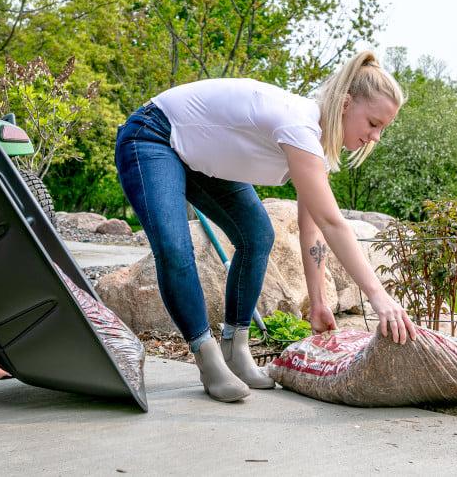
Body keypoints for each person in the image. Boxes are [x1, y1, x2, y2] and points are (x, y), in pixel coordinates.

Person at [114, 50, 417, 402]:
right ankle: (206, 356)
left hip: (198, 159)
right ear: (347, 104)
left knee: (257, 235)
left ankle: (235, 346)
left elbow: (314, 228)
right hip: (153, 136)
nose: (375, 137)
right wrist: (379, 297)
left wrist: (319, 304)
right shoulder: (297, 125)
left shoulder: (315, 146)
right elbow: (335, 223)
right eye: (374, 123)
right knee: (175, 248)